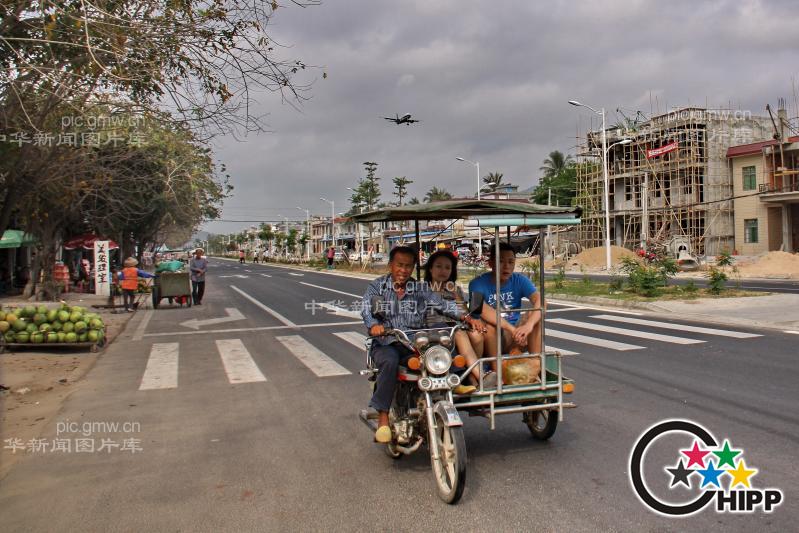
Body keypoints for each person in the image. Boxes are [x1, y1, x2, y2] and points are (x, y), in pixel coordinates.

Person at [362, 246, 482, 443]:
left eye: (408, 266)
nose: (404, 270)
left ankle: (452, 384)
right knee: (390, 362)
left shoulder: (419, 288)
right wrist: (374, 325)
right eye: (399, 265)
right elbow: (367, 308)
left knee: (437, 355)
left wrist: (466, 317)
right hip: (387, 342)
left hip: (413, 343)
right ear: (391, 265)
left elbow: (442, 304)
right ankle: (383, 419)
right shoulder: (378, 286)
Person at [468, 242, 542, 384]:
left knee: (535, 315)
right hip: (493, 337)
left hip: (517, 337)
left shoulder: (519, 280)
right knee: (490, 326)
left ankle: (536, 365)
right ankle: (497, 372)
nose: (506, 266)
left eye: (510, 262)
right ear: (491, 263)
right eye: (501, 261)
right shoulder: (477, 283)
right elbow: (481, 309)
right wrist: (511, 328)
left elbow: (540, 300)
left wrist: (529, 325)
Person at [423, 250, 485, 394]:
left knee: (477, 334)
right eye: (438, 266)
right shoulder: (423, 290)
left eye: (447, 267)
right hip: (433, 329)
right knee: (459, 332)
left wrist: (473, 321)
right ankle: (479, 377)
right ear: (430, 268)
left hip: (455, 327)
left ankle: (471, 375)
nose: (443, 271)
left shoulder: (454, 290)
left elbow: (463, 312)